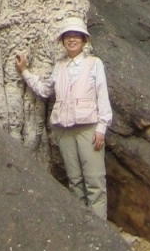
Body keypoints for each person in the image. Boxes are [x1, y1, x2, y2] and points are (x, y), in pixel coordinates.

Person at [15, 17, 113, 218]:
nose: (72, 40)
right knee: (75, 180)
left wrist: (102, 127)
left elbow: (102, 95)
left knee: (95, 181)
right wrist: (25, 71)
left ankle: (100, 231)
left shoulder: (94, 63)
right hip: (64, 130)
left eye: (76, 36)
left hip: (89, 129)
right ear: (62, 41)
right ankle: (82, 225)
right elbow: (44, 90)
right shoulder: (59, 66)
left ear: (85, 40)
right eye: (68, 37)